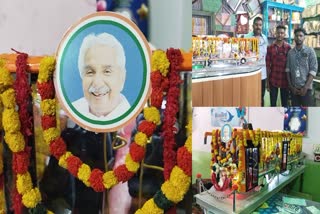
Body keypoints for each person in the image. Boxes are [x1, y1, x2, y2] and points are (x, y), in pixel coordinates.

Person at [72, 33, 130, 120]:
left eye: (107, 71)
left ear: (122, 78)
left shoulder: (138, 121)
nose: (97, 83)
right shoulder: (68, 117)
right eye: (90, 72)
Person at [285, 28, 318, 106]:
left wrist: (305, 87)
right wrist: (291, 87)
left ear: (304, 37)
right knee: (295, 112)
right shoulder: (290, 53)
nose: (298, 38)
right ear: (294, 37)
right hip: (294, 90)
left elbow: (313, 69)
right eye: (297, 36)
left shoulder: (310, 51)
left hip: (306, 90)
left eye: (301, 36)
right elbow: (287, 70)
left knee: (308, 113)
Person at [245, 17, 268, 106]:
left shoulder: (264, 38)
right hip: (251, 72)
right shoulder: (247, 38)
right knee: (251, 96)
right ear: (253, 25)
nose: (258, 27)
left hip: (263, 73)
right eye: (256, 25)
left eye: (260, 25)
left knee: (261, 96)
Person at [266, 25, 291, 106]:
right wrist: (267, 82)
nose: (280, 35)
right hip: (273, 79)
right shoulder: (270, 48)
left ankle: (285, 118)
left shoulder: (288, 47)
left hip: (285, 80)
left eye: (282, 33)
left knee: (285, 104)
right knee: (272, 104)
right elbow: (267, 66)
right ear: (275, 33)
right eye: (278, 33)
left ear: (284, 34)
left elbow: (291, 66)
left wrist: (291, 82)